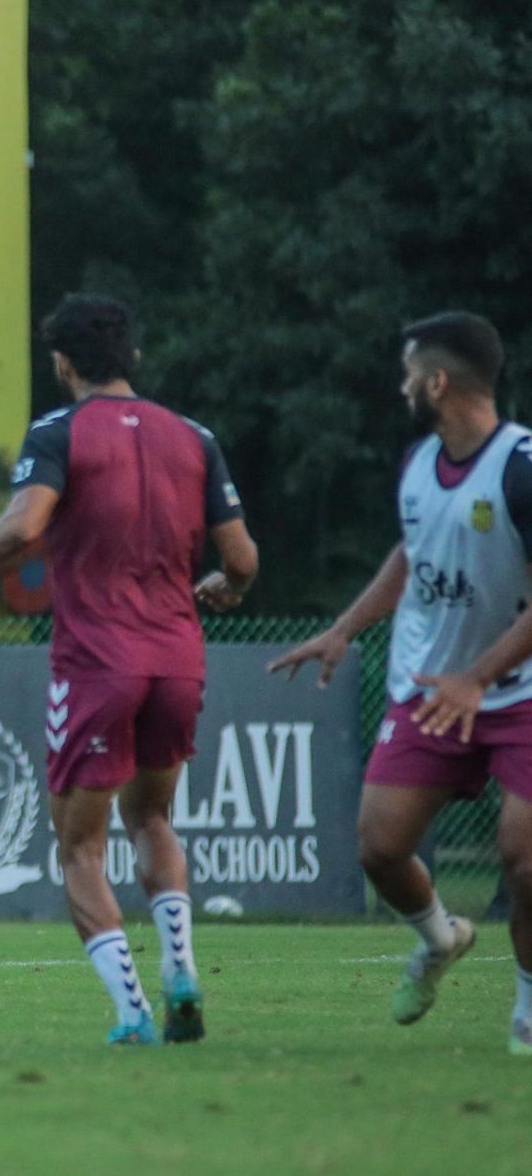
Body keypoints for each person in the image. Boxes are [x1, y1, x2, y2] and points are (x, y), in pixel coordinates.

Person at [0, 295, 258, 1046]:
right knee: (155, 817)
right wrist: (224, 588)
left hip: (100, 661)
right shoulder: (194, 438)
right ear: (129, 355)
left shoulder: (59, 432)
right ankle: (182, 971)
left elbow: (26, 523)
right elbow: (242, 561)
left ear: (63, 363)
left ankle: (133, 1009)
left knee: (80, 846)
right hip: (178, 658)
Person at [271, 312, 532, 1056]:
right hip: (431, 687)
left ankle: (528, 1007)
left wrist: (479, 677)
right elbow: (413, 554)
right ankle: (440, 936)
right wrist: (345, 627)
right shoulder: (420, 461)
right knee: (380, 846)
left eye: (410, 371)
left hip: (516, 691)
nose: (402, 384)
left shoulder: (521, 466)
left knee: (525, 854)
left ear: (439, 381)